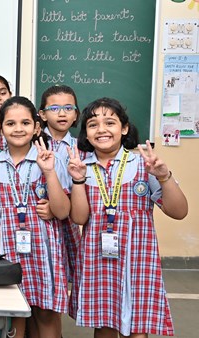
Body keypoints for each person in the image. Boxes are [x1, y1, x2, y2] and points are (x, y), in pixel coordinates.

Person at [67, 98, 188, 338]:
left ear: (124, 128)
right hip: (97, 258)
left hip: (138, 259)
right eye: (93, 125)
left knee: (137, 327)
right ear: (86, 134)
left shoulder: (145, 165)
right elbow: (80, 218)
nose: (101, 129)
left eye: (109, 122)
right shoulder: (82, 167)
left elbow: (179, 211)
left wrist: (164, 177)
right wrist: (78, 180)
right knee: (104, 324)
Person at [0, 96, 71, 338]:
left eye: (25, 123)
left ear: (36, 127)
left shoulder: (50, 160)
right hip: (9, 252)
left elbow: (63, 211)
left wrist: (49, 173)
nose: (18, 129)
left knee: (46, 314)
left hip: (45, 251)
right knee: (15, 313)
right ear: (1, 129)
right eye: (10, 124)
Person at [37, 84, 83, 318]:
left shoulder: (81, 148)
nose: (62, 113)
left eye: (68, 108)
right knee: (41, 281)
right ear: (43, 115)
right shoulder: (33, 144)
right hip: (39, 221)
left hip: (68, 222)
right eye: (54, 108)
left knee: (60, 281)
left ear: (76, 114)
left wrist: (59, 207)